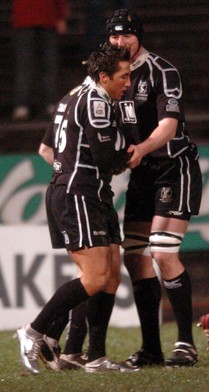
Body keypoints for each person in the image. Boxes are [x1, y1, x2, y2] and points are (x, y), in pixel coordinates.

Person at [55, 9, 202, 369]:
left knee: (163, 253)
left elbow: (169, 124)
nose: (121, 42)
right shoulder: (109, 78)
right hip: (143, 173)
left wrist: (140, 150)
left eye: (127, 36)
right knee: (136, 258)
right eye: (115, 37)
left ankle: (185, 343)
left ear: (140, 36)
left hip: (172, 167)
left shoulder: (161, 71)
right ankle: (151, 348)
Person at [15, 43, 136, 375]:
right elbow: (106, 159)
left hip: (90, 192)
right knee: (96, 276)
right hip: (78, 194)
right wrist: (133, 154)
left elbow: (45, 148)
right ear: (103, 76)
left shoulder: (71, 95)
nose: (127, 84)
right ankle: (34, 331)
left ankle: (93, 356)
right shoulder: (95, 102)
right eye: (123, 77)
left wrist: (71, 168)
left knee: (109, 274)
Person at [11, 0, 67, 121]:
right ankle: (28, 104)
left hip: (37, 18)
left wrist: (60, 15)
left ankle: (26, 105)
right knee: (38, 65)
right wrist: (61, 15)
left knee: (44, 65)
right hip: (36, 17)